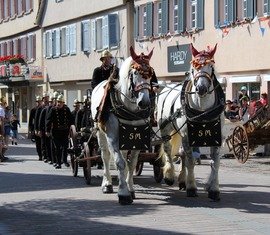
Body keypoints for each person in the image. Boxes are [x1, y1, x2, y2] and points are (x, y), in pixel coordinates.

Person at [46, 94, 73, 169]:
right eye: (58, 102)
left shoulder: (66, 109)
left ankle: (64, 160)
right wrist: (47, 130)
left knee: (65, 147)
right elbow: (48, 120)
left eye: (60, 102)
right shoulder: (53, 110)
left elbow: (71, 119)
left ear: (63, 103)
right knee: (57, 148)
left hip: (65, 131)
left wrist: (72, 129)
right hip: (56, 131)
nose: (59, 103)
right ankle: (58, 163)